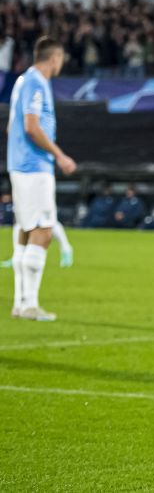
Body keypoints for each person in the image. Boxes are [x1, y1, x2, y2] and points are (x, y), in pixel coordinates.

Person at [6, 37, 77, 321]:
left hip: (20, 164)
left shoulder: (22, 81)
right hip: (34, 167)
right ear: (55, 58)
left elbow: (13, 128)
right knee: (44, 230)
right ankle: (30, 304)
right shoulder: (36, 82)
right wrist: (60, 155)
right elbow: (31, 127)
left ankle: (20, 303)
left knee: (25, 230)